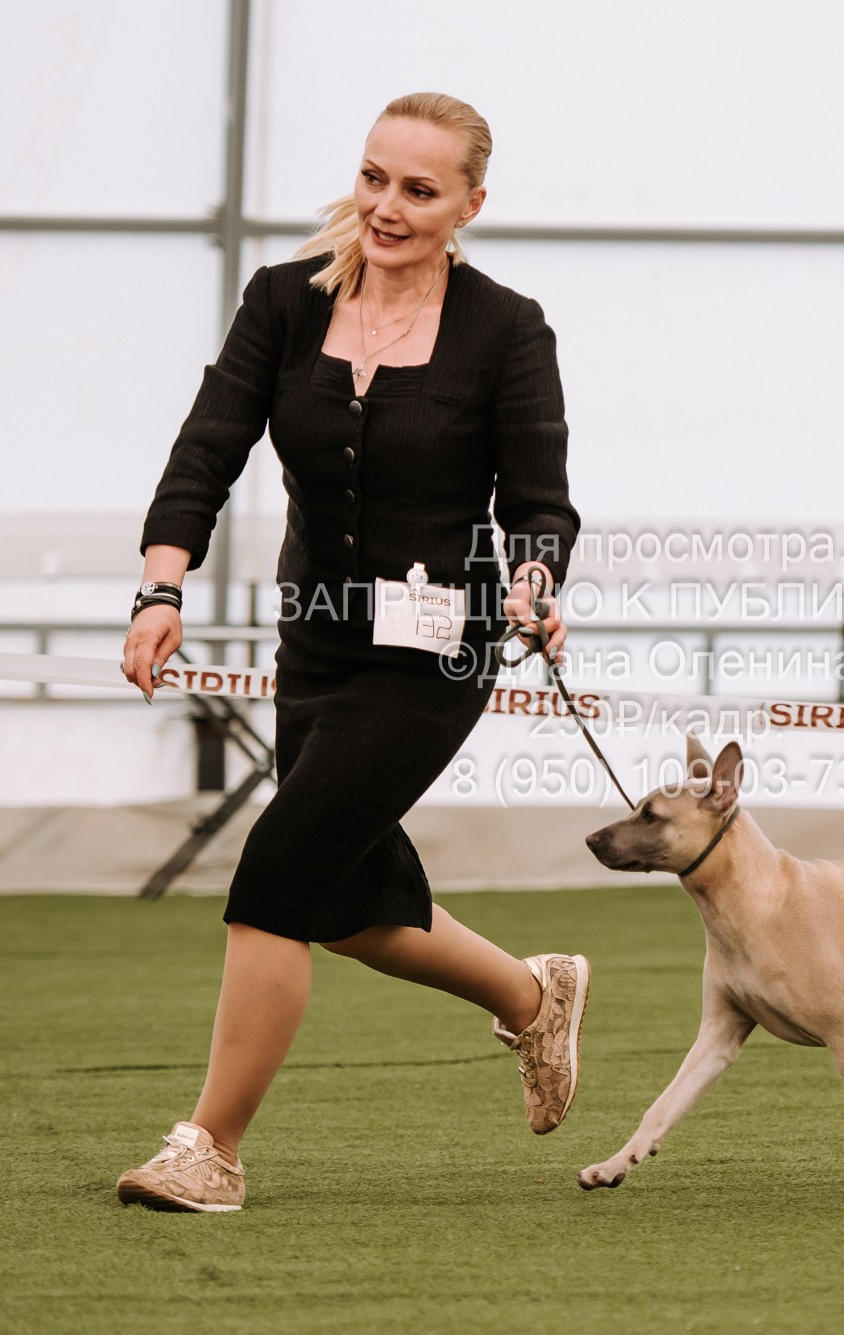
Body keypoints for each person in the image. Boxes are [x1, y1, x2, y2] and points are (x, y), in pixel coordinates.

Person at [112, 93, 587, 1213]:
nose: (385, 206)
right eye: (374, 177)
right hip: (315, 641)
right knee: (348, 903)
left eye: (418, 190)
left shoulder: (506, 328)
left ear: (470, 204)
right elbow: (208, 447)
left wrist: (531, 583)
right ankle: (532, 994)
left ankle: (209, 1148)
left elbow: (538, 502)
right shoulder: (283, 301)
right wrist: (159, 588)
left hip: (437, 660)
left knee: (275, 879)